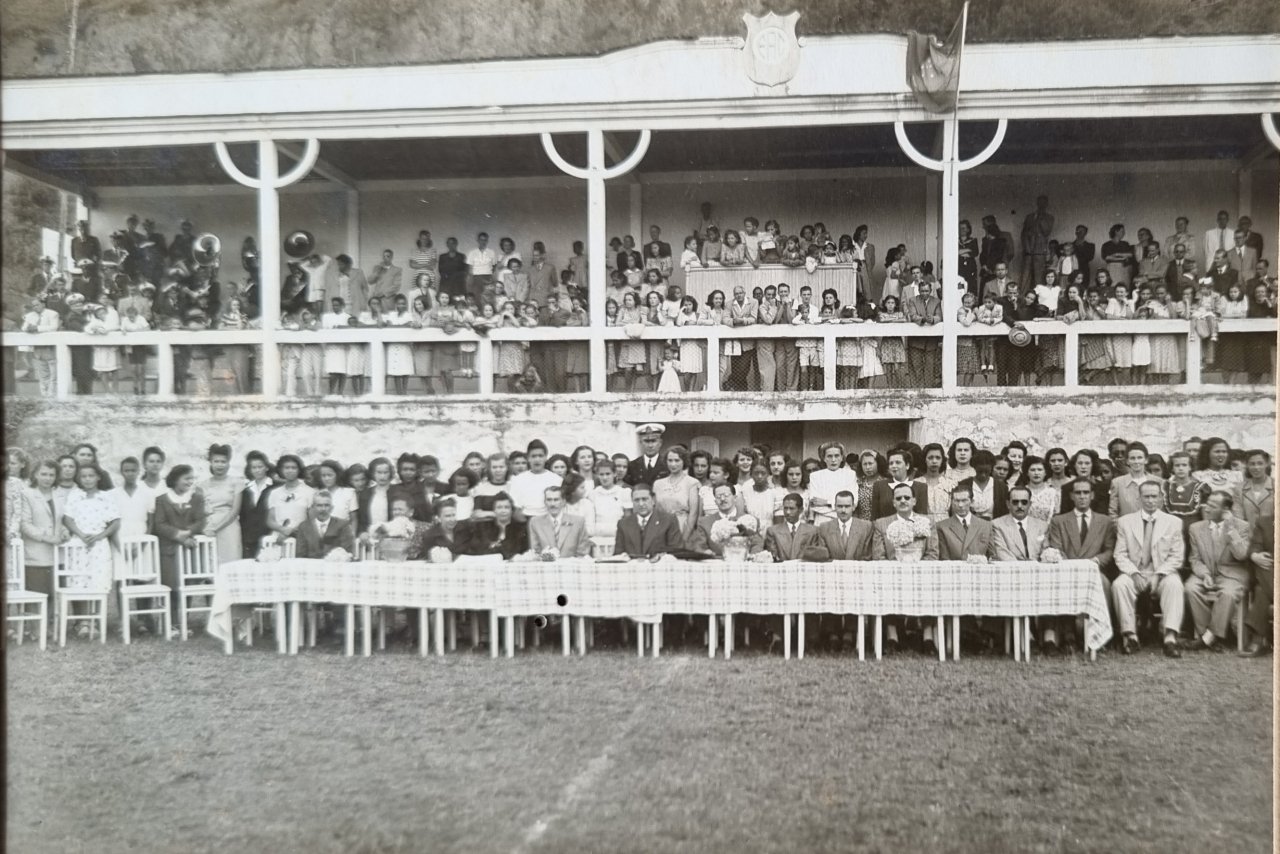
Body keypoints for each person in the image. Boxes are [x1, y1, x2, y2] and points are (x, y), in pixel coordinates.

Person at [1111, 481, 1185, 657]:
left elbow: (1177, 556)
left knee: (1175, 585)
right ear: (1139, 498)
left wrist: (1159, 575)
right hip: (1135, 571)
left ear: (1161, 498)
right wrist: (1134, 574)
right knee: (1119, 585)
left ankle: (1170, 637)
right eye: (1146, 496)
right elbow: (1119, 555)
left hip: (1162, 572)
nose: (1151, 501)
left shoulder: (1173, 522)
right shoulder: (1125, 522)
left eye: (1154, 496)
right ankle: (1130, 635)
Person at [1184, 491, 1253, 653]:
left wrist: (1230, 529)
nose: (1206, 509)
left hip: (1232, 575)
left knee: (1228, 593)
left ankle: (1207, 638)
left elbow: (1242, 554)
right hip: (1206, 572)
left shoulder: (1242, 526)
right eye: (1207, 504)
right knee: (1190, 588)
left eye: (1213, 506)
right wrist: (1205, 574)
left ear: (1226, 509)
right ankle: (1212, 636)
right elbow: (1194, 559)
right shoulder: (1196, 528)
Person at [154, 464, 205, 633]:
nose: (190, 482)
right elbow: (159, 524)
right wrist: (178, 535)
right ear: (176, 479)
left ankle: (183, 621)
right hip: (169, 549)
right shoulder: (162, 499)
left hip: (189, 549)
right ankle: (170, 622)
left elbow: (200, 521)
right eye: (187, 478)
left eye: (192, 478)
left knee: (188, 584)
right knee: (170, 586)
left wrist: (188, 533)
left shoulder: (196, 498)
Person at [20, 460, 66, 611]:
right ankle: (33, 629)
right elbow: (25, 524)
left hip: (57, 552)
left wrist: (65, 532)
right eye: (44, 474)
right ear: (35, 475)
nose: (47, 478)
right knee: (36, 592)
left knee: (53, 592)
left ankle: (50, 626)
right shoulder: (27, 494)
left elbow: (64, 520)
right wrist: (47, 537)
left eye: (51, 475)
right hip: (36, 551)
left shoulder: (61, 495)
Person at [686, 483, 763, 556]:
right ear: (715, 501)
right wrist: (706, 553)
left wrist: (750, 556)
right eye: (718, 496)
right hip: (715, 564)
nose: (722, 499)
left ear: (735, 498)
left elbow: (757, 544)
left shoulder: (749, 520)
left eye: (726, 495)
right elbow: (698, 546)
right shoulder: (704, 522)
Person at [198, 444, 243, 565]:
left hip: (229, 526)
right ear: (210, 463)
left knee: (231, 562)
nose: (219, 465)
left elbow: (235, 511)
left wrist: (216, 528)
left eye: (223, 461)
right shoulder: (202, 485)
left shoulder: (236, 482)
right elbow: (200, 510)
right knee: (210, 563)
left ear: (228, 463)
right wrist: (206, 528)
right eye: (216, 461)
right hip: (209, 527)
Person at [455, 492, 529, 559]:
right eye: (499, 507)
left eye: (506, 507)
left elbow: (521, 551)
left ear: (511, 510)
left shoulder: (520, 529)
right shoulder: (483, 528)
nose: (503, 511)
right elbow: (477, 549)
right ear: (494, 510)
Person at [652, 446, 701, 542]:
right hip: (662, 526)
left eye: (677, 460)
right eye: (670, 460)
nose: (673, 464)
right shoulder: (658, 484)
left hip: (682, 526)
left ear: (684, 461)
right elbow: (654, 510)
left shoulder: (692, 483)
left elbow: (693, 513)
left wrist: (685, 537)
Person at [527, 486, 591, 558]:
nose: (552, 504)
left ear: (563, 502)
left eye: (556, 500)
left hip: (572, 567)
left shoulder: (578, 522)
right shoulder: (536, 522)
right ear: (545, 502)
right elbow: (536, 552)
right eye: (549, 500)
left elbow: (582, 553)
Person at [763, 493, 828, 562]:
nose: (787, 512)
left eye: (791, 508)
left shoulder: (813, 531)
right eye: (785, 508)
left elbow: (816, 555)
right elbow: (773, 557)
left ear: (801, 510)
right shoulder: (773, 531)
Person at [937, 485, 994, 561]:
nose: (960, 505)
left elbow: (993, 555)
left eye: (964, 500)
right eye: (957, 501)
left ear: (972, 502)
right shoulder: (942, 527)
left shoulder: (986, 525)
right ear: (952, 502)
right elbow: (944, 558)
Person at [264, 454, 314, 543]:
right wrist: (282, 530)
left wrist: (289, 532)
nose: (290, 471)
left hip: (301, 538)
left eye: (294, 468)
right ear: (281, 470)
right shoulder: (275, 493)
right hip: (278, 537)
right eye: (286, 468)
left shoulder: (309, 492)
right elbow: (270, 520)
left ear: (299, 470)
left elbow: (312, 519)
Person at [508, 440, 561, 520]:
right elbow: (515, 508)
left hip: (549, 521)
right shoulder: (518, 480)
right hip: (525, 521)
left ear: (546, 457)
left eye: (540, 456)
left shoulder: (556, 479)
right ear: (528, 458)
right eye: (533, 456)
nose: (537, 459)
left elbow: (560, 506)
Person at [294, 490, 355, 559]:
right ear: (313, 507)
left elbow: (347, 552)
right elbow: (300, 555)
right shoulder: (304, 527)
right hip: (311, 567)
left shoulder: (342, 525)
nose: (323, 509)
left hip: (335, 566)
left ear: (332, 508)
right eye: (319, 505)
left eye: (327, 505)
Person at [871, 449, 929, 520]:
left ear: (907, 465)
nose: (894, 466)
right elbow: (874, 516)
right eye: (891, 463)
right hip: (885, 529)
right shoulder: (879, 486)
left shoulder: (921, 487)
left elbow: (922, 516)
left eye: (898, 462)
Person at [239, 451, 276, 558]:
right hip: (249, 538)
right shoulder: (246, 490)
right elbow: (243, 516)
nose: (257, 470)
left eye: (260, 467)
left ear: (266, 467)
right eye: (254, 467)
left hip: (268, 536)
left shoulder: (275, 487)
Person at [1108, 441, 1160, 517]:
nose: (1136, 461)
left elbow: (1161, 509)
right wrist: (1120, 527)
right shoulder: (1118, 483)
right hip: (1126, 527)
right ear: (1127, 461)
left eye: (1139, 458)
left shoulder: (1158, 482)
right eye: (1132, 458)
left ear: (1146, 460)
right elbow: (1112, 511)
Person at [624, 423, 668, 488]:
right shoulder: (632, 465)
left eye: (653, 441)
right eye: (646, 441)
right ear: (641, 443)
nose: (650, 445)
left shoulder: (667, 464)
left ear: (660, 443)